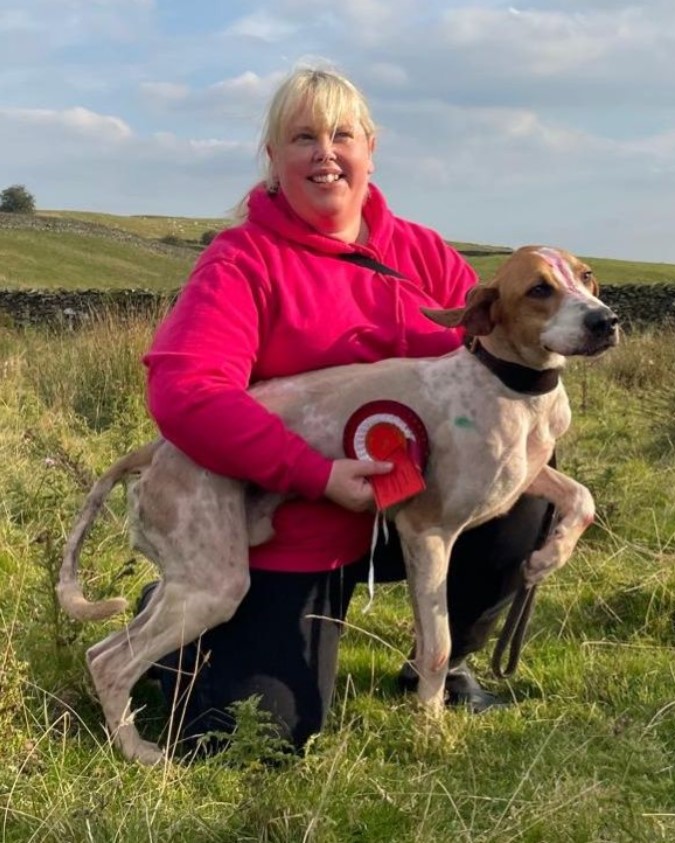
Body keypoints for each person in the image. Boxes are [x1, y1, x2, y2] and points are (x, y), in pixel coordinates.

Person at [140, 65, 552, 755]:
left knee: (527, 496)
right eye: (303, 137)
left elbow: (499, 352)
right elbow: (187, 392)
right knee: (262, 736)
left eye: (342, 135)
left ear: (370, 148)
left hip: (414, 505)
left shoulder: (422, 252)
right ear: (274, 157)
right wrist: (315, 473)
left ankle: (441, 662)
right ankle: (182, 623)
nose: (324, 153)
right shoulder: (241, 261)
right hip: (293, 516)